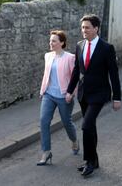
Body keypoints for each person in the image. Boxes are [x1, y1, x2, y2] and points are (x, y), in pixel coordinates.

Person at [66, 14, 121, 177]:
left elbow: (114, 74)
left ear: (96, 28)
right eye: (82, 27)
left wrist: (117, 97)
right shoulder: (79, 45)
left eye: (87, 27)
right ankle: (95, 160)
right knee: (90, 127)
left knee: (86, 125)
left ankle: (89, 162)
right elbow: (77, 70)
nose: (84, 30)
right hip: (84, 94)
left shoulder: (107, 48)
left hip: (100, 93)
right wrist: (70, 91)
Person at [37, 30, 79, 166]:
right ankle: (46, 152)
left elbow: (75, 77)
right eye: (50, 41)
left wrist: (71, 93)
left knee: (66, 122)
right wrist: (42, 90)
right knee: (44, 121)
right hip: (48, 95)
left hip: (63, 96)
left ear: (62, 42)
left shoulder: (70, 58)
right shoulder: (48, 56)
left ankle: (74, 140)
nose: (51, 43)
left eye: (54, 41)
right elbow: (46, 74)